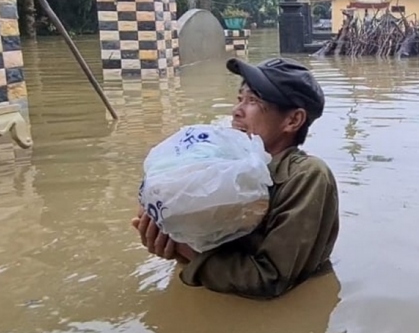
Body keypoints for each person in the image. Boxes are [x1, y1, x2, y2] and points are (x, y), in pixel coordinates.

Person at [131, 57, 340, 300]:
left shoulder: (307, 176)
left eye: (253, 101)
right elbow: (204, 244)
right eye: (239, 99)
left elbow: (269, 280)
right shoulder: (222, 168)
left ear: (293, 120)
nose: (236, 111)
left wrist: (185, 251)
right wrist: (170, 234)